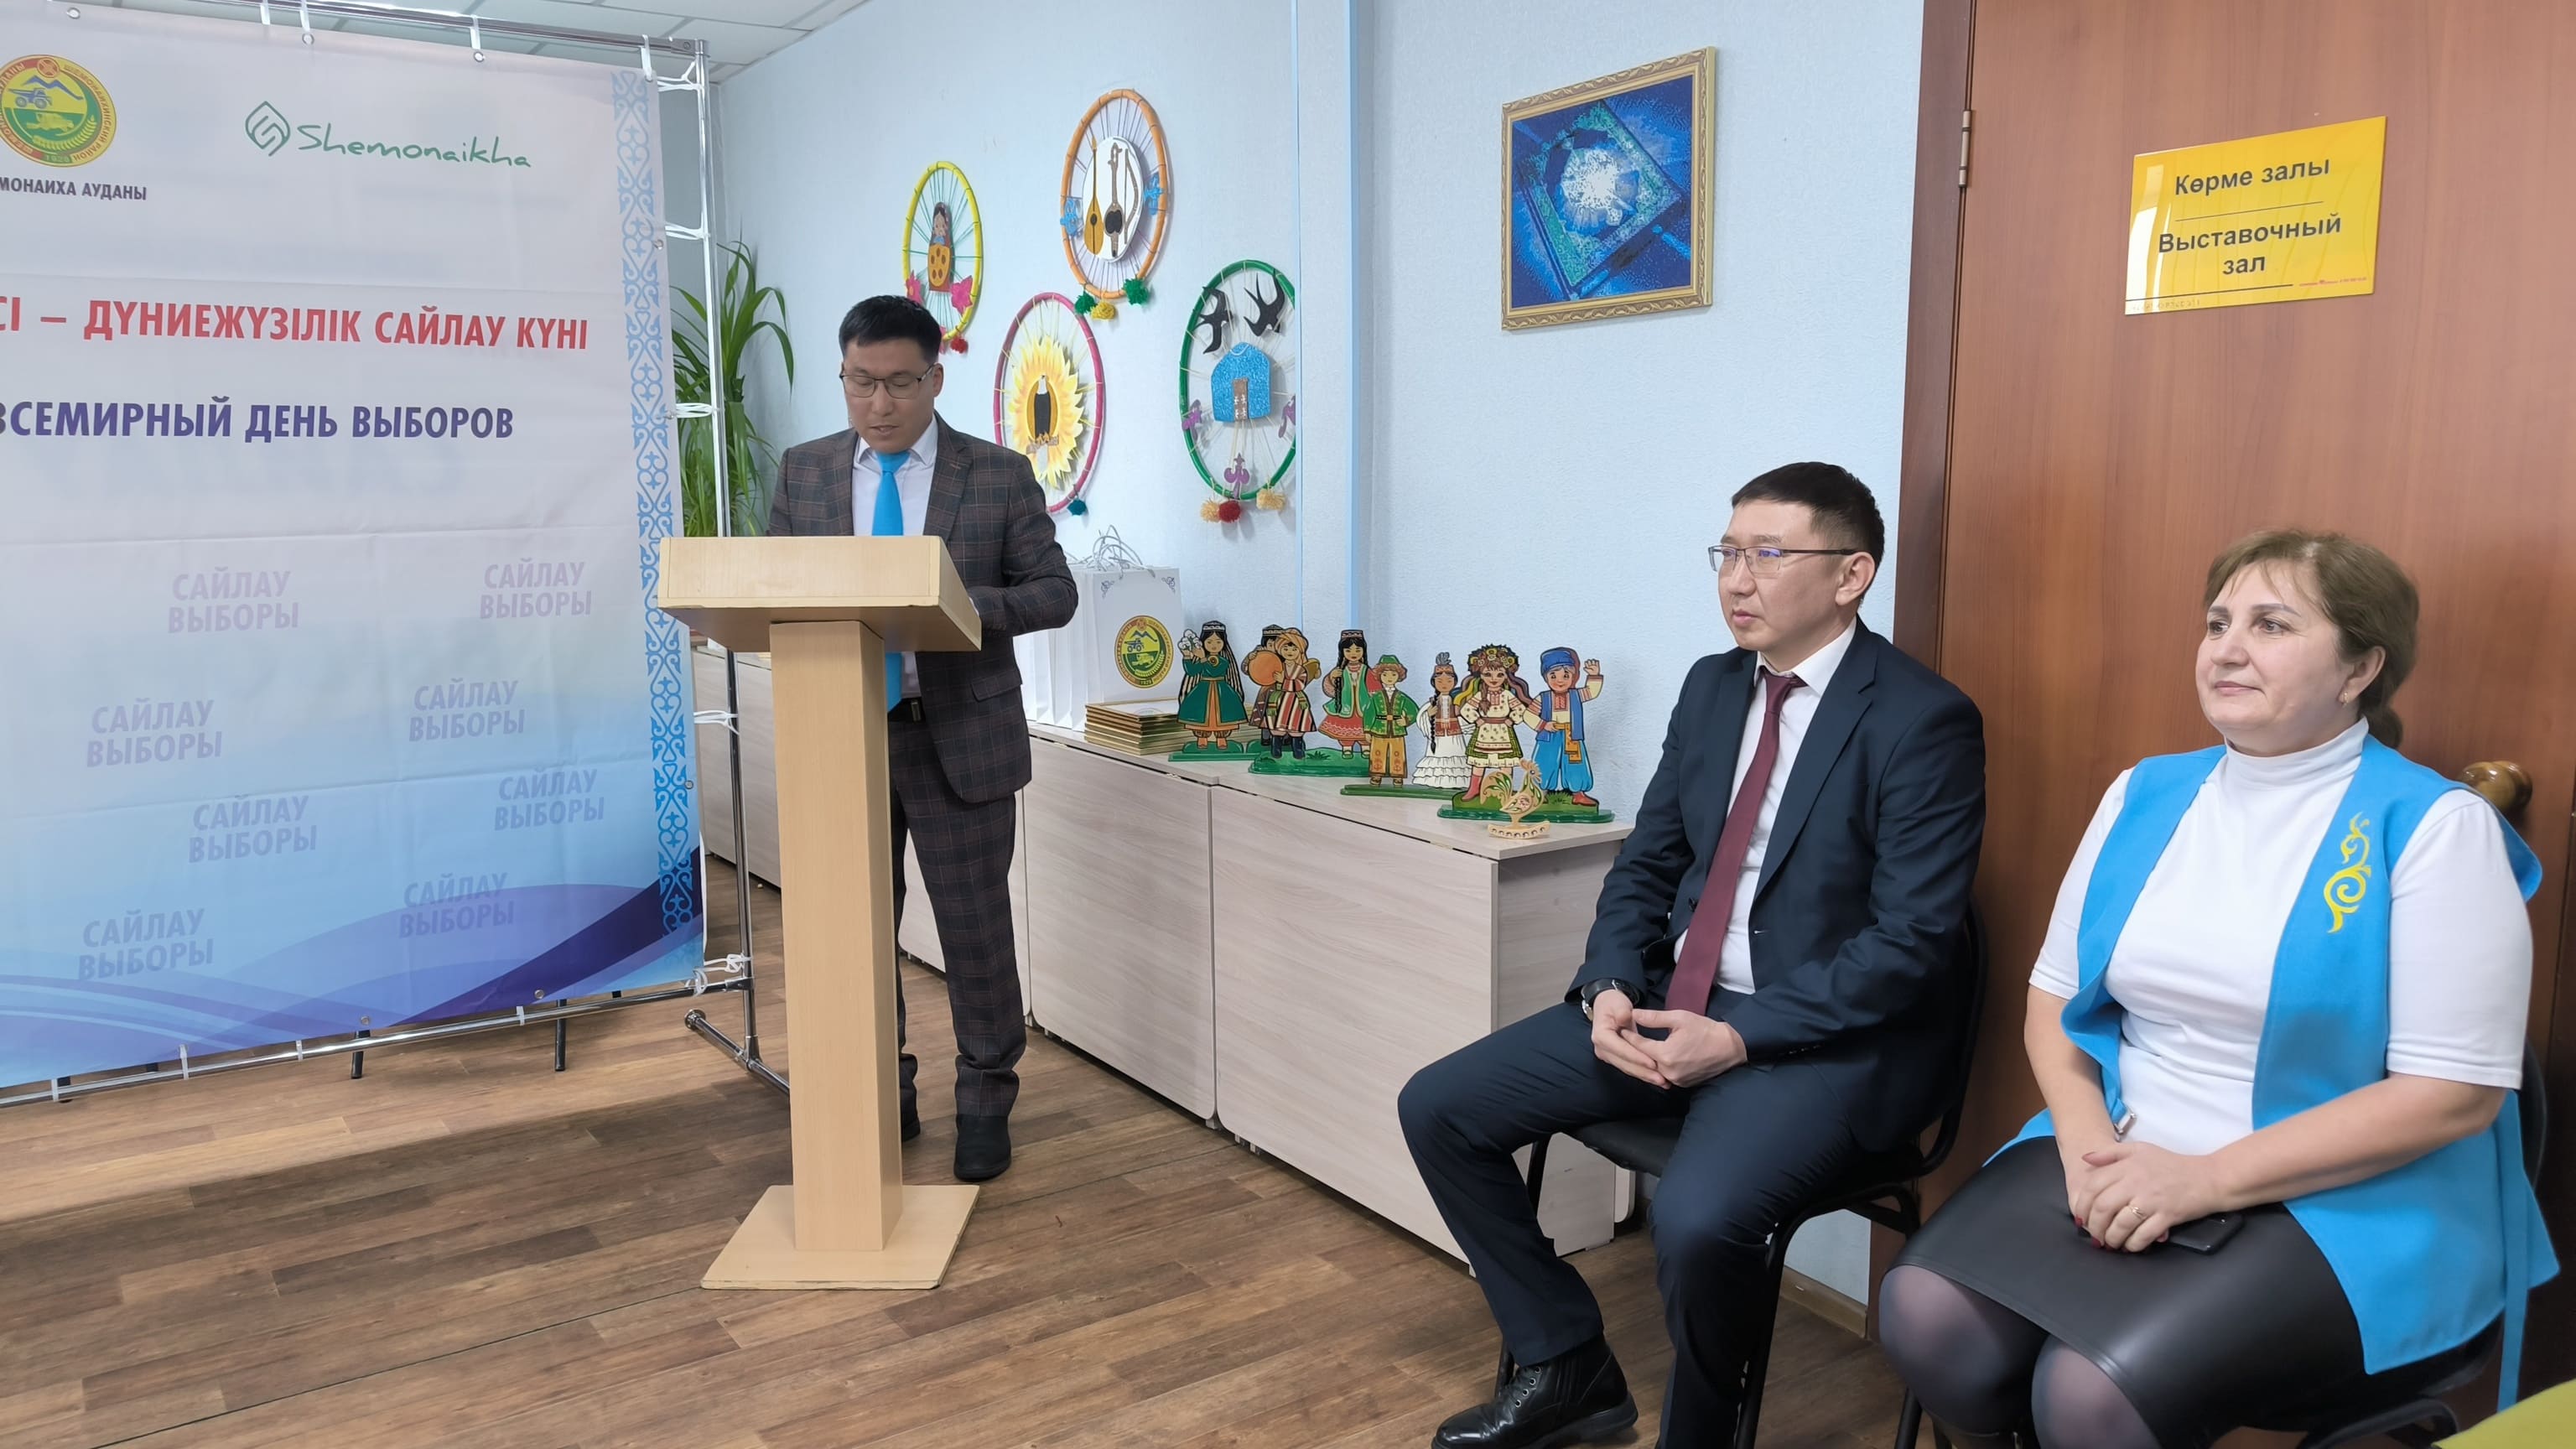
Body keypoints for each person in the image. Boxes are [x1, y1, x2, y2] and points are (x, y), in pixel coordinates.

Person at [1879, 531, 2554, 1449]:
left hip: (2339, 1194)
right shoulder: (2145, 793)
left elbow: (2453, 1096)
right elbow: (2053, 1000)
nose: (2227, 649)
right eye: (2217, 623)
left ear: (2360, 668)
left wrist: (2201, 1180)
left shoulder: (2435, 828)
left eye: (2272, 625)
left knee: (2090, 1394)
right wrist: (2086, 1146)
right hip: (2124, 1141)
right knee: (1930, 1318)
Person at [1399, 462, 1987, 1449]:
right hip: (1674, 1004)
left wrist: (1741, 1038)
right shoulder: (1714, 688)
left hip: (1820, 1043)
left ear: (1852, 575)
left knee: (1700, 1220)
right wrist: (1610, 985)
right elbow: (1648, 863)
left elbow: (1910, 946)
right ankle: (1566, 1363)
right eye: (1727, 553)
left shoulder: (1923, 719)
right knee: (1440, 1107)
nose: (1736, 580)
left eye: (1769, 555)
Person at [767, 295, 1076, 1184]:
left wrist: (959, 604)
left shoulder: (999, 475)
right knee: (856, 934)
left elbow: (1054, 593)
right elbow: (774, 585)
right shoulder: (806, 473)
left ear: (936, 379)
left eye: (900, 383)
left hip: (961, 740)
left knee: (974, 935)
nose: (880, 403)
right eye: (860, 382)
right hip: (842, 737)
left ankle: (984, 1101)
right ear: (843, 376)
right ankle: (883, 1093)